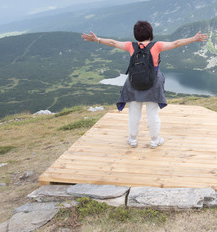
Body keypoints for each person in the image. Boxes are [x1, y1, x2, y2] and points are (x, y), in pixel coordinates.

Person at [81, 20, 208, 149]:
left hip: (134, 83)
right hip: (153, 83)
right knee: (152, 113)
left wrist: (97, 39)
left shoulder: (131, 46)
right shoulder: (156, 46)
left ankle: (133, 139)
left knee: (134, 113)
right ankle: (154, 140)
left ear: (136, 34)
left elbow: (113, 42)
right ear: (150, 33)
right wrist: (194, 38)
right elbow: (176, 43)